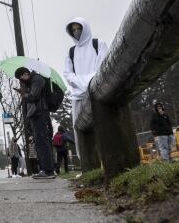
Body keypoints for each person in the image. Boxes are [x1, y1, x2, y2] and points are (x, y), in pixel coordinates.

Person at [63, 18, 109, 147]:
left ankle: (104, 155)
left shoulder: (99, 44)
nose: (76, 31)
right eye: (73, 30)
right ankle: (85, 161)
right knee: (78, 127)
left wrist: (87, 81)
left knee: (101, 123)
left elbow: (103, 66)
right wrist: (81, 83)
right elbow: (67, 73)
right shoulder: (71, 51)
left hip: (97, 91)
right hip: (77, 96)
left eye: (79, 28)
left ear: (85, 28)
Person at [16, 67, 56, 179]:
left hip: (40, 113)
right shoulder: (32, 81)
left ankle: (48, 171)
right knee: (39, 142)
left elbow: (34, 96)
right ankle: (44, 169)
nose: (21, 80)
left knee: (42, 142)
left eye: (21, 77)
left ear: (25, 74)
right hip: (36, 114)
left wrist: (24, 94)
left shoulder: (37, 79)